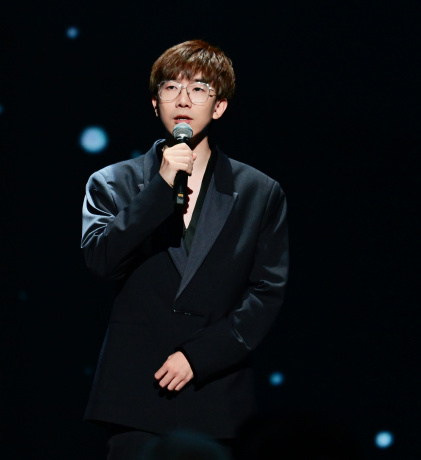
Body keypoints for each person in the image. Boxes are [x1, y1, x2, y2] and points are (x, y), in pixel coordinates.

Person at [81, 39, 289, 459]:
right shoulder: (111, 183)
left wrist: (199, 356)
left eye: (198, 89)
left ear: (219, 106)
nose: (182, 99)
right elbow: (101, 260)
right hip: (135, 395)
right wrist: (158, 191)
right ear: (154, 103)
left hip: (215, 393)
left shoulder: (259, 192)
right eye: (171, 88)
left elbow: (266, 292)